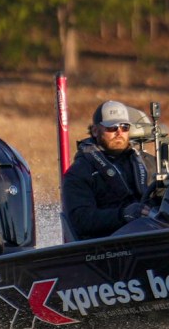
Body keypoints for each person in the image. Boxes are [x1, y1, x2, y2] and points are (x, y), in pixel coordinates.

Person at [61, 100, 158, 239]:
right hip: (108, 244)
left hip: (151, 235)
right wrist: (123, 215)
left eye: (124, 127)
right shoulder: (79, 172)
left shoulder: (149, 162)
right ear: (95, 131)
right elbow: (81, 220)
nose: (119, 132)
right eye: (112, 127)